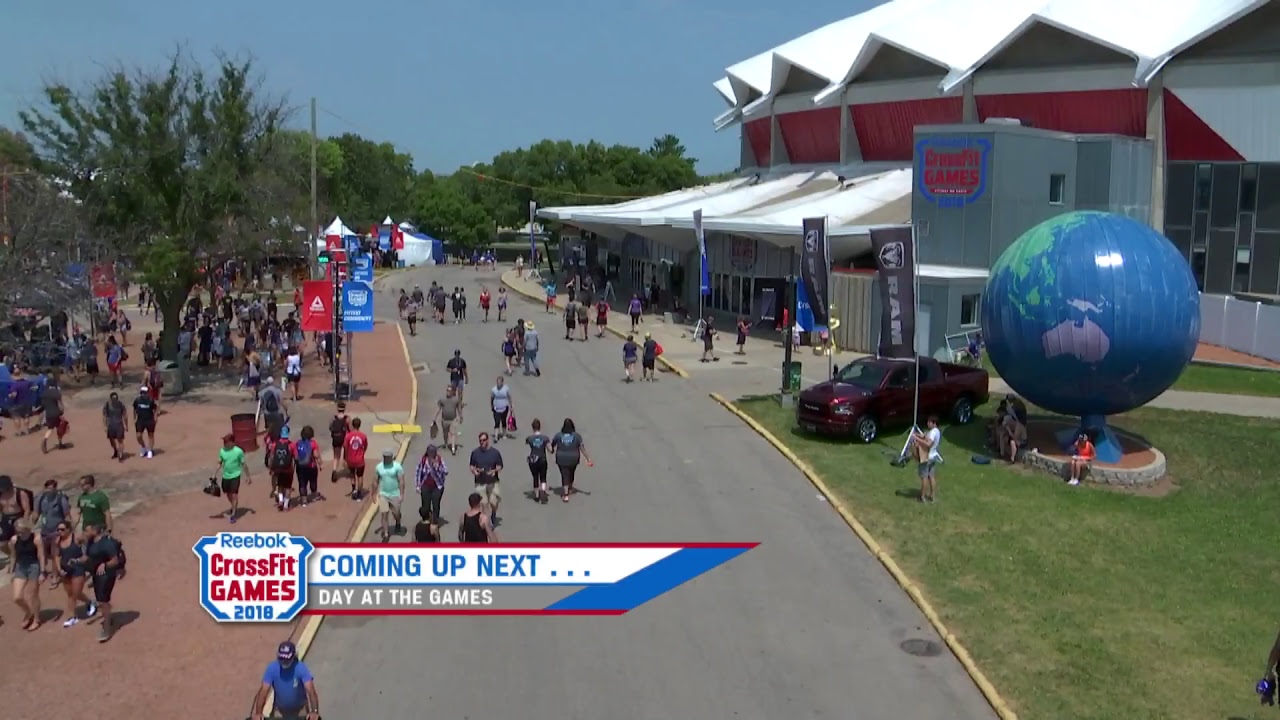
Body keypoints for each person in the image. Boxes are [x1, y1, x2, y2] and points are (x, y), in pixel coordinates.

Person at [251, 641, 321, 720]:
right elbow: (263, 691)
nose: (284, 662)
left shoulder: (301, 668)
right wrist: (258, 713)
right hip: (279, 710)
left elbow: (311, 691)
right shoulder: (272, 668)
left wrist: (314, 711)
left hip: (300, 710)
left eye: (287, 659)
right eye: (282, 659)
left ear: (294, 657)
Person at [81, 519, 123, 642]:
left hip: (107, 575)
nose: (85, 532)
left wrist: (104, 565)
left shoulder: (107, 543)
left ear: (95, 530)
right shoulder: (90, 542)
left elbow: (115, 560)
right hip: (96, 575)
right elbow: (88, 557)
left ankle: (106, 628)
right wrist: (77, 561)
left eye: (87, 530)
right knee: (102, 600)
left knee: (102, 600)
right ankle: (108, 616)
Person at [53, 520, 96, 628]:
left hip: (77, 568)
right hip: (65, 570)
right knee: (71, 593)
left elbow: (87, 551)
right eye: (58, 529)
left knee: (74, 595)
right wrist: (59, 569)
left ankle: (72, 617)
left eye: (62, 529)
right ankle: (90, 602)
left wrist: (79, 560)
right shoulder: (57, 540)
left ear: (68, 529)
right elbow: (57, 556)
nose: (59, 531)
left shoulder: (77, 538)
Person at [8, 518, 46, 630]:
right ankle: (28, 612)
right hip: (21, 567)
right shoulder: (14, 540)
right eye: (17, 530)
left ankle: (36, 618)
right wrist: (12, 570)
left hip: (33, 566)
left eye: (20, 530)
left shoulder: (36, 538)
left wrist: (42, 572)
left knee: (32, 595)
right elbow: (13, 556)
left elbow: (41, 555)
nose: (18, 532)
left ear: (26, 529)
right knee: (17, 597)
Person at [36, 479, 71, 583]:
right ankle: (42, 571)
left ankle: (55, 576)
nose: (49, 491)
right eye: (47, 488)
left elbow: (66, 515)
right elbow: (36, 513)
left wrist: (67, 529)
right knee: (42, 552)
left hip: (57, 530)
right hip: (45, 529)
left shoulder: (61, 499)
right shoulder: (41, 498)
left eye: (51, 488)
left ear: (55, 488)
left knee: (54, 553)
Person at [551, 418, 593, 503]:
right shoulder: (577, 436)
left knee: (564, 474)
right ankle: (569, 486)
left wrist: (551, 450)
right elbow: (582, 448)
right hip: (574, 458)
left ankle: (566, 495)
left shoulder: (558, 435)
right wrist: (588, 459)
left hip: (561, 457)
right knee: (571, 472)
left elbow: (553, 444)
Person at [468, 432, 504, 523]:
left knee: (493, 502)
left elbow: (500, 466)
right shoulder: (475, 453)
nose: (482, 442)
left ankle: (494, 513)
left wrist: (494, 471)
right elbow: (471, 465)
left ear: (488, 440)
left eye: (484, 440)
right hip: (480, 482)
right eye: (480, 441)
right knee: (483, 503)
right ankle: (487, 522)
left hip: (492, 482)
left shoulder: (495, 453)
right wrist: (474, 471)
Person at [217, 434, 250, 523]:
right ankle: (233, 506)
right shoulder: (222, 451)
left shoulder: (238, 451)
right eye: (224, 442)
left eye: (226, 442)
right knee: (228, 494)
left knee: (234, 494)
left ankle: (233, 514)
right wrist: (214, 474)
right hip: (226, 476)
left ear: (232, 442)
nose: (224, 444)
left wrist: (248, 476)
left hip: (235, 475)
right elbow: (220, 463)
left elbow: (243, 464)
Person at [374, 448, 405, 542]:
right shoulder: (379, 467)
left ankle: (398, 522)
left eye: (388, 457)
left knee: (396, 513)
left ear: (391, 457)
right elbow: (375, 481)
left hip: (395, 494)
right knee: (384, 514)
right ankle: (386, 534)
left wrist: (402, 494)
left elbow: (401, 481)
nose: (386, 459)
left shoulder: (397, 467)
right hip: (383, 494)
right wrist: (373, 493)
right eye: (385, 457)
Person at [911, 415, 943, 503]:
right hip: (933, 457)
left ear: (934, 423)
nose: (927, 423)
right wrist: (918, 435)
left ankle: (922, 497)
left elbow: (928, 444)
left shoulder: (933, 432)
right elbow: (926, 437)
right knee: (931, 476)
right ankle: (932, 496)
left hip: (926, 457)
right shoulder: (937, 432)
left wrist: (916, 438)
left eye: (929, 422)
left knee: (924, 477)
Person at [415, 444, 448, 525]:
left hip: (437, 486)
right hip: (425, 486)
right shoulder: (423, 460)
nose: (431, 454)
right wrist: (418, 485)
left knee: (436, 504)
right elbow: (418, 472)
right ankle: (426, 519)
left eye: (433, 452)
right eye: (430, 452)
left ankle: (434, 521)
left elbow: (446, 471)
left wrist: (437, 466)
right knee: (425, 505)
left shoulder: (439, 459)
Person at [268, 428, 296, 511]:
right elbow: (296, 457)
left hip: (278, 469)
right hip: (288, 469)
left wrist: (271, 468)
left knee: (280, 485)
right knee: (288, 487)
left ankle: (280, 500)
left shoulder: (274, 445)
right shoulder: (291, 445)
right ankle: (286, 505)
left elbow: (272, 457)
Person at [294, 426, 322, 504]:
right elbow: (316, 455)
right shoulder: (313, 443)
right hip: (311, 466)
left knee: (302, 483)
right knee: (313, 481)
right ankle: (314, 495)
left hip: (300, 467)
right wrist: (320, 463)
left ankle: (304, 499)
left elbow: (295, 455)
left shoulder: (297, 443)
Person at [433, 385, 464, 455]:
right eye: (447, 390)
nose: (448, 392)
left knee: (453, 433)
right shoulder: (442, 400)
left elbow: (459, 409)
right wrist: (434, 418)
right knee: (445, 433)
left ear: (452, 392)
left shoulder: (456, 400)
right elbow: (439, 409)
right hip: (444, 420)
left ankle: (453, 448)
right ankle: (446, 443)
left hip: (453, 420)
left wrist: (461, 416)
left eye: (449, 391)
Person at [525, 418, 551, 504]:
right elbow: (549, 449)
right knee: (543, 477)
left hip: (533, 459)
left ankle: (536, 495)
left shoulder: (530, 438)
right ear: (540, 427)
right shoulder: (545, 438)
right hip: (542, 458)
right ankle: (543, 490)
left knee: (535, 477)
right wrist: (552, 450)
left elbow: (527, 443)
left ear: (532, 427)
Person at [343, 417, 370, 499]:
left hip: (350, 459)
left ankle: (353, 489)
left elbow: (345, 447)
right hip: (360, 460)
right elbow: (365, 446)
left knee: (352, 474)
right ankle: (359, 492)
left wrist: (346, 457)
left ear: (353, 425)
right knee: (360, 476)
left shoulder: (348, 436)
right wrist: (362, 453)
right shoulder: (363, 436)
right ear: (359, 425)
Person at [40, 374, 66, 454]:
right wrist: (62, 411)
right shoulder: (56, 392)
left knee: (50, 428)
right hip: (56, 413)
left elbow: (43, 405)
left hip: (48, 413)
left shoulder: (44, 393)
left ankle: (45, 439)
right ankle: (60, 443)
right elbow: (60, 404)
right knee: (60, 428)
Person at [102, 391, 129, 462]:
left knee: (120, 440)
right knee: (111, 440)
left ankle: (121, 454)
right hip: (110, 425)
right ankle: (115, 451)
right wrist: (105, 426)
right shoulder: (107, 405)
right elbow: (104, 416)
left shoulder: (121, 404)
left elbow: (125, 415)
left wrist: (126, 425)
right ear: (110, 398)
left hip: (119, 424)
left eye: (116, 398)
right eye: (113, 398)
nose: (115, 399)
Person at [133, 384, 158, 459]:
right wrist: (134, 418)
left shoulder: (151, 400)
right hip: (140, 420)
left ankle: (150, 450)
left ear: (147, 393)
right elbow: (134, 409)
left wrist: (155, 417)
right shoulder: (137, 400)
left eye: (145, 392)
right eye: (142, 392)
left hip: (149, 420)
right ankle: (143, 447)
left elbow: (155, 409)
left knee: (150, 435)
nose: (143, 394)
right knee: (138, 436)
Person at [328, 403, 351, 472]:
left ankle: (334, 470)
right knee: (346, 455)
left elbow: (330, 427)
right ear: (344, 409)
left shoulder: (333, 418)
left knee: (336, 456)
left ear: (337, 409)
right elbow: (351, 429)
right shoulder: (347, 418)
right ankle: (347, 468)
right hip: (345, 438)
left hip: (336, 438)